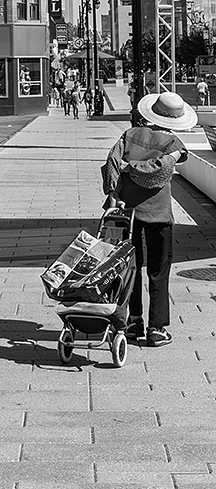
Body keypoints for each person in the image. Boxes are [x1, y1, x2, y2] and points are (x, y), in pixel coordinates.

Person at [101, 92, 198, 347]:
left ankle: (132, 322)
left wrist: (113, 190)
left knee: (129, 268)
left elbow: (112, 160)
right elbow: (161, 170)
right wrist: (156, 166)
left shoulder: (130, 134)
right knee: (159, 269)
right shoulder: (174, 144)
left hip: (126, 211)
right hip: (159, 214)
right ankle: (157, 329)